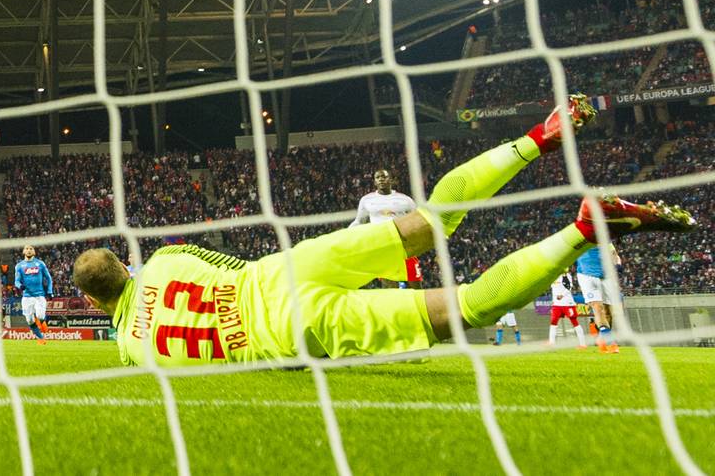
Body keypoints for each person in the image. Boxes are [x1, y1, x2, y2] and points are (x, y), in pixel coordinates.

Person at [72, 96, 696, 366]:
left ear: (97, 303)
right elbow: (224, 267)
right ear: (124, 268)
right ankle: (537, 139)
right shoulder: (161, 263)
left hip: (289, 330)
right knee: (433, 219)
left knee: (466, 308)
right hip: (292, 267)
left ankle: (583, 230)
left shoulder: (130, 347)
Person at [350, 168, 420, 287]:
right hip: (382, 246)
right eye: (378, 177)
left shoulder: (405, 199)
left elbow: (417, 219)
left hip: (404, 246)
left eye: (384, 177)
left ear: (391, 180)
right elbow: (359, 222)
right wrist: (345, 235)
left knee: (416, 285)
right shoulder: (367, 200)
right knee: (389, 286)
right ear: (374, 182)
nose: (381, 179)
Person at [576, 244, 621, 353]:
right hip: (587, 276)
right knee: (598, 307)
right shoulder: (580, 237)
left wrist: (618, 265)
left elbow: (614, 254)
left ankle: (602, 338)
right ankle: (612, 343)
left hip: (606, 276)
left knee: (609, 312)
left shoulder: (604, 237)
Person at [15, 245, 53, 343]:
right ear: (23, 251)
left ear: (34, 252)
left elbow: (49, 278)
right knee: (29, 320)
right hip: (27, 297)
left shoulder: (40, 264)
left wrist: (50, 291)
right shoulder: (19, 266)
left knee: (40, 315)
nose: (29, 250)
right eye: (27, 249)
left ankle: (42, 321)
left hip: (39, 295)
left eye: (31, 249)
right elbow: (16, 281)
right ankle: (41, 338)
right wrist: (20, 286)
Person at [548, 273, 586, 349]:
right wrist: (553, 301)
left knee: (574, 321)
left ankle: (583, 344)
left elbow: (569, 286)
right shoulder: (552, 276)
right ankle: (551, 342)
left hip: (567, 303)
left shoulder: (565, 275)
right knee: (553, 321)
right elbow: (554, 289)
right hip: (557, 304)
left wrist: (562, 295)